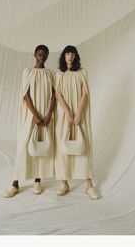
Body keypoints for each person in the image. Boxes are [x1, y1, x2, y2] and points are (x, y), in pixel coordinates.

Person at [3, 45, 56, 197]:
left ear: (47, 56)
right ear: (34, 55)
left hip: (45, 117)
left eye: (45, 54)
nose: (42, 56)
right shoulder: (27, 72)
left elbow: (54, 95)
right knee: (23, 147)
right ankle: (15, 183)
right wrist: (35, 115)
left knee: (40, 146)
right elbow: (25, 95)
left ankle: (37, 180)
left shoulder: (50, 73)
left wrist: (49, 115)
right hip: (30, 116)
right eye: (39, 54)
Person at [55, 45, 100, 200]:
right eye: (67, 53)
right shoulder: (59, 74)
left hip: (80, 113)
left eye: (73, 53)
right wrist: (67, 112)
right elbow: (58, 95)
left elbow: (85, 94)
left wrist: (79, 112)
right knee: (63, 146)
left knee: (84, 146)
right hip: (64, 114)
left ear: (76, 56)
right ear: (64, 56)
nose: (70, 56)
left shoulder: (82, 72)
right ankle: (64, 182)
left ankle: (88, 184)